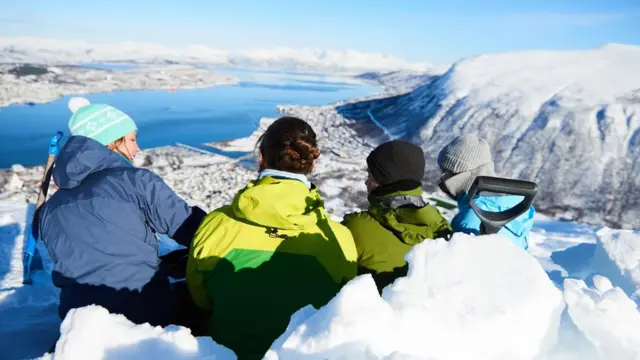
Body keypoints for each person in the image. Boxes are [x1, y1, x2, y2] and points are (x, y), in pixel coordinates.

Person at [186, 116, 357, 360]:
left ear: (261, 159)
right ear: (312, 164)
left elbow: (201, 298)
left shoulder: (216, 224)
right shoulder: (339, 239)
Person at [38, 97, 206, 327]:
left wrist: (165, 263)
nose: (137, 148)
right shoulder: (134, 180)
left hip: (78, 321)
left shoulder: (52, 206)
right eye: (132, 139)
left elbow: (98, 260)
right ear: (110, 141)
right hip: (143, 309)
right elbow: (195, 230)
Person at [342, 140, 452, 292]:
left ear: (382, 181)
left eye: (371, 175)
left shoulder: (356, 227)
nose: (366, 181)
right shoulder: (441, 227)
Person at [437, 134, 535, 250]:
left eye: (445, 171)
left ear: (462, 174)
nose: (441, 178)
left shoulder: (470, 218)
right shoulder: (512, 205)